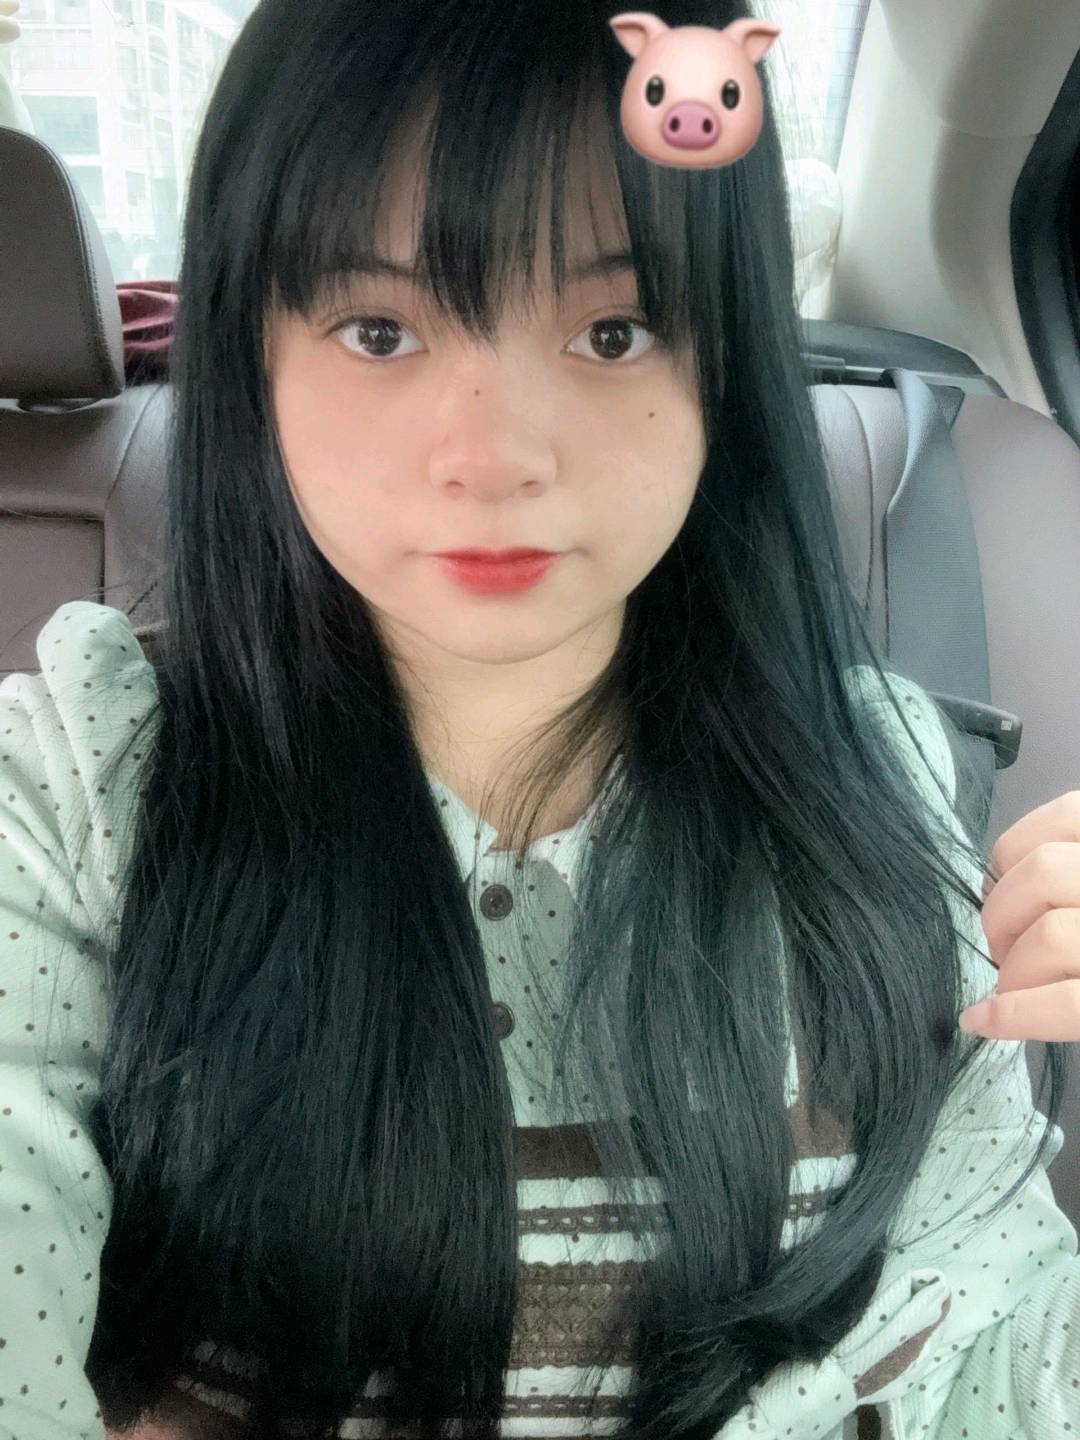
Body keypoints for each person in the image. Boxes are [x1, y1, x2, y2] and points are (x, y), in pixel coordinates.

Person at [0, 1, 1075, 1438]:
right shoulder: (86, 777)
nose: (492, 456)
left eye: (613, 331)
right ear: (256, 360)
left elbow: (1002, 1356)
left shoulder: (876, 779)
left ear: (725, 362)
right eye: (379, 329)